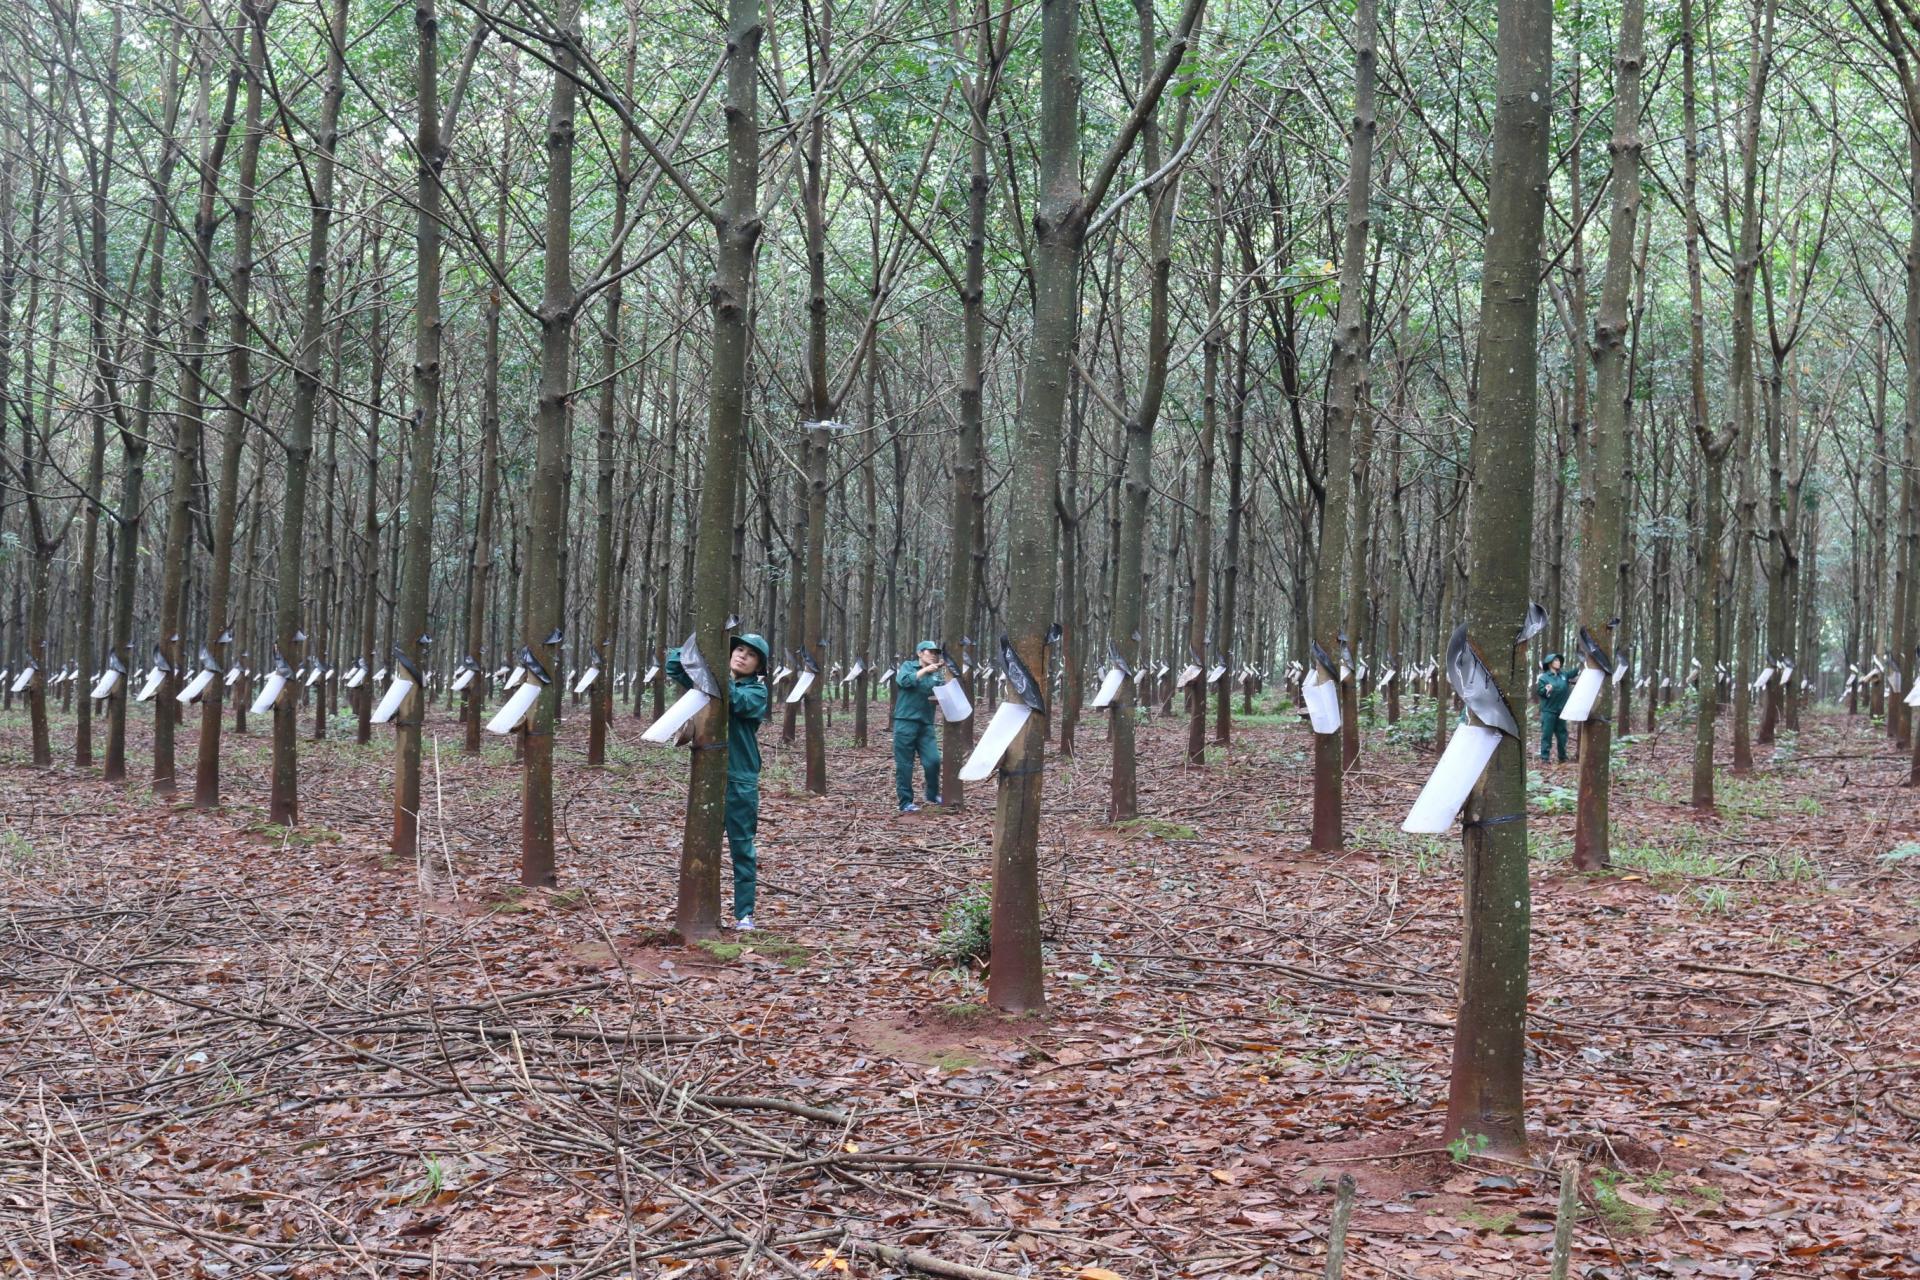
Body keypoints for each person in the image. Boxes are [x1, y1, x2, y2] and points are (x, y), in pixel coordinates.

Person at [668, 632, 770, 930]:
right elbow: (674, 665)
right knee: (700, 844)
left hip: (739, 780)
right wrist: (703, 639)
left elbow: (735, 702)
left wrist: (709, 673)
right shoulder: (707, 680)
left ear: (758, 666)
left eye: (750, 655)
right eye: (738, 649)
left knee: (741, 847)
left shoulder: (756, 693)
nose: (742, 656)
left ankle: (744, 914)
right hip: (706, 775)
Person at [893, 640, 946, 812]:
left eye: (935, 652)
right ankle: (905, 802)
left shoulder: (937, 675)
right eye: (930, 652)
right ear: (920, 653)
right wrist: (924, 671)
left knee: (933, 760)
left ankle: (932, 794)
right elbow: (903, 681)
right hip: (905, 722)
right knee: (905, 764)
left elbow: (941, 693)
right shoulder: (908, 666)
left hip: (926, 723)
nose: (933, 655)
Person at [1536, 652, 1570, 764]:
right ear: (1550, 663)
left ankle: (1562, 757)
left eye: (1559, 661)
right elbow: (1540, 691)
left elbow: (1575, 671)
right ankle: (1545, 758)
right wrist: (1547, 689)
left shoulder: (1563, 676)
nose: (1558, 662)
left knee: (1562, 735)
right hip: (1548, 711)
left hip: (1561, 710)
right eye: (1556, 660)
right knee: (1547, 734)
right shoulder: (1544, 677)